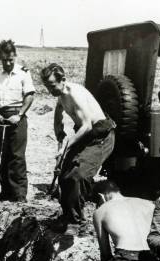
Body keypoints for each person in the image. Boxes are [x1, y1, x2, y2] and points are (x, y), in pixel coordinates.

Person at [40, 63, 116, 235]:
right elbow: (59, 111)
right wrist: (58, 130)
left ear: (63, 80)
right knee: (64, 173)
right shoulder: (61, 94)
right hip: (84, 135)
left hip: (100, 136)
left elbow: (87, 126)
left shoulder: (75, 94)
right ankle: (68, 217)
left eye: (52, 86)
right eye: (47, 87)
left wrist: (66, 146)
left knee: (77, 175)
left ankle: (78, 223)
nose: (50, 91)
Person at [0, 39, 35, 202]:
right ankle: (5, 191)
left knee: (16, 156)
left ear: (15, 57)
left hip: (17, 117)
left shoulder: (23, 73)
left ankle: (19, 194)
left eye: (11, 60)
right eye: (4, 59)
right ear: (0, 57)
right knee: (0, 155)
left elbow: (29, 95)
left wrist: (19, 114)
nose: (7, 63)